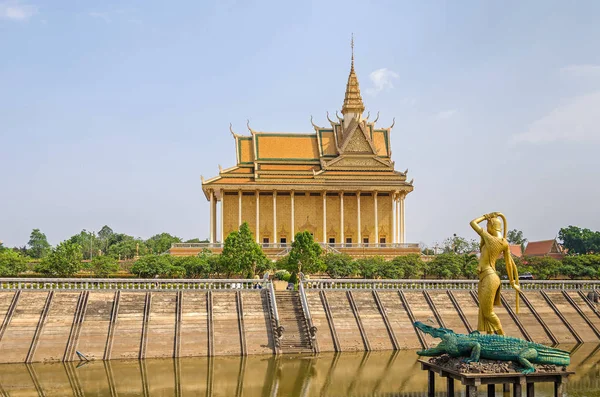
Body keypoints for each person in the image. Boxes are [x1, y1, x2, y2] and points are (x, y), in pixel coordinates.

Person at [470, 212, 520, 335]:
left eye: (487, 225)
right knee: (484, 310)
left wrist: (486, 216)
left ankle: (503, 338)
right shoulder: (503, 242)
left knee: (488, 312)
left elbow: (473, 223)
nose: (486, 227)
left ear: (491, 226)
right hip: (486, 277)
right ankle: (490, 338)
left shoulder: (490, 239)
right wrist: (512, 282)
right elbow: (509, 263)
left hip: (489, 277)